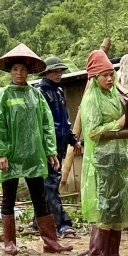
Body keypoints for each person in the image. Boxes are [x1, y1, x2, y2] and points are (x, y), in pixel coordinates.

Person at [0, 44, 71, 255]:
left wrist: (51, 151)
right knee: (9, 197)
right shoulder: (3, 96)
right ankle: (10, 242)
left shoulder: (36, 95)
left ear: (28, 72)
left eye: (23, 70)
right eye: (15, 69)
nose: (19, 73)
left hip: (34, 155)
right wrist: (2, 153)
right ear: (10, 71)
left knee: (40, 198)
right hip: (12, 156)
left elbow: (46, 124)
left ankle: (50, 241)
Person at [78, 50, 128, 256]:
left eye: (111, 74)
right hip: (102, 161)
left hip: (120, 159)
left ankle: (113, 253)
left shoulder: (114, 95)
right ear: (95, 78)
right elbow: (92, 131)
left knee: (119, 206)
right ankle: (95, 254)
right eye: (104, 75)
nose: (110, 79)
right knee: (105, 206)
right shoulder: (91, 99)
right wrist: (118, 124)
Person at [36, 57, 79, 238]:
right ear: (46, 72)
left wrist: (73, 140)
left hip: (60, 144)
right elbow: (41, 124)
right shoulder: (40, 93)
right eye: (55, 71)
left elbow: (65, 120)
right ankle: (62, 224)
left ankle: (38, 221)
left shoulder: (59, 91)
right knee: (51, 184)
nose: (59, 74)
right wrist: (47, 148)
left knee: (48, 184)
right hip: (47, 147)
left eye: (60, 71)